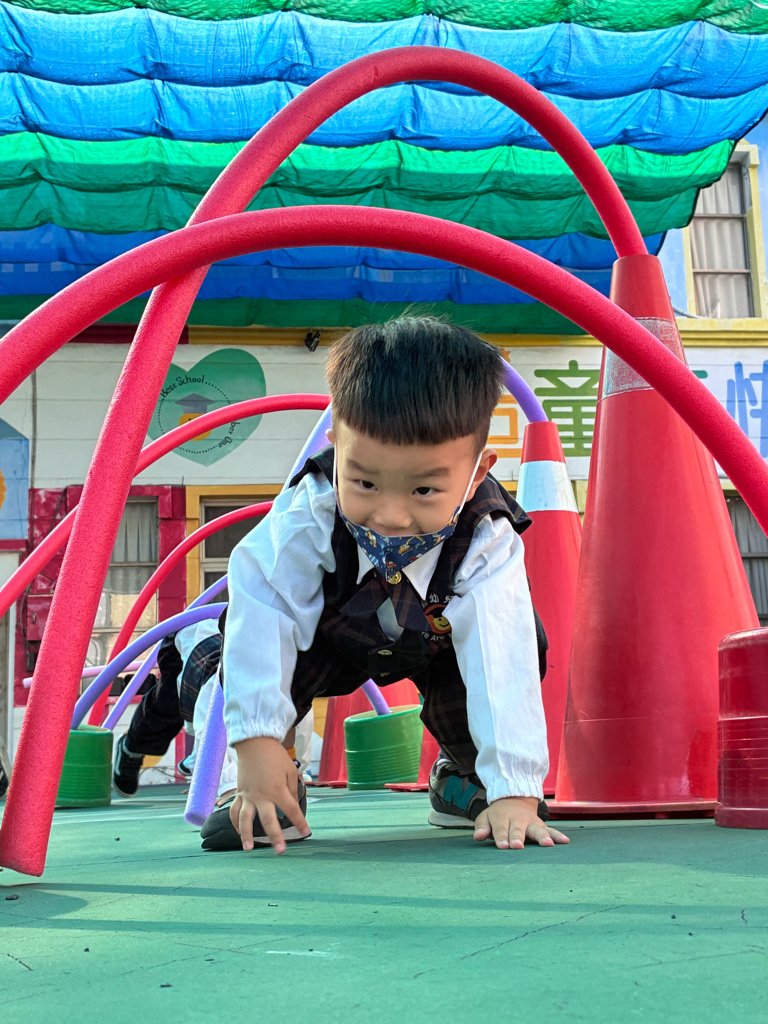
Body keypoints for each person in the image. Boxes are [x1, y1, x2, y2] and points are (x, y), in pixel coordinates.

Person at [201, 317, 569, 855]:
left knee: (520, 639)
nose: (390, 515)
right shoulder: (310, 510)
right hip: (327, 640)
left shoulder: (485, 536)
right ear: (337, 449)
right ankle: (271, 782)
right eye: (365, 482)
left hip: (435, 648)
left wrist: (515, 790)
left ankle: (464, 778)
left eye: (424, 490)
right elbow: (264, 608)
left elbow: (501, 653)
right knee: (242, 642)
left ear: (476, 473)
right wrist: (256, 739)